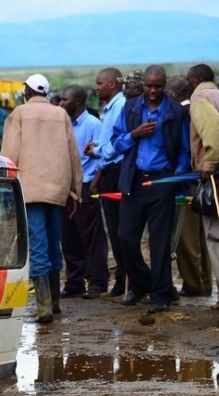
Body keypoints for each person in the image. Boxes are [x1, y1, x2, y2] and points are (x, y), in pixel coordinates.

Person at [1, 74, 83, 323]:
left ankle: (44, 306)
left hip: (30, 190)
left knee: (37, 245)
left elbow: (9, 154)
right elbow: (73, 155)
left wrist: (5, 189)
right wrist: (75, 191)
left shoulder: (19, 114)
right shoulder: (61, 115)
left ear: (27, 91)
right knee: (53, 244)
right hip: (58, 190)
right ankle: (54, 302)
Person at [111, 65, 190, 314]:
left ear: (164, 85)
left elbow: (185, 148)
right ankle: (142, 282)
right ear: (142, 84)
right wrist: (134, 134)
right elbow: (116, 143)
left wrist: (179, 170)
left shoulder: (176, 111)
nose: (152, 91)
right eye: (148, 86)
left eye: (157, 86)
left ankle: (161, 294)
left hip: (162, 181)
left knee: (160, 242)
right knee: (125, 237)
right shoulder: (130, 108)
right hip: (134, 180)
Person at [186, 63, 219, 308]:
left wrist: (209, 162)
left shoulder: (199, 98)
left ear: (196, 79)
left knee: (215, 233)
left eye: (188, 80)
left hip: (215, 172)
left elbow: (214, 126)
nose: (187, 84)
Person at [59, 85, 109, 299]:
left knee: (92, 238)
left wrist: (95, 183)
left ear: (78, 101)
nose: (61, 103)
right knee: (69, 238)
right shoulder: (65, 124)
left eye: (65, 100)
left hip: (87, 187)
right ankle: (74, 282)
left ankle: (98, 282)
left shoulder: (93, 125)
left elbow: (104, 155)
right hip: (67, 188)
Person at [165, 76, 212, 298]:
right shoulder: (195, 109)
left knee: (186, 239)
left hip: (185, 183)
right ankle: (205, 281)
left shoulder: (182, 113)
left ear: (175, 93)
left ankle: (193, 284)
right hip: (199, 182)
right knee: (201, 236)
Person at [85, 67, 128, 298]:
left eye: (99, 83)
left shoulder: (120, 106)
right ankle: (121, 279)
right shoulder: (110, 108)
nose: (96, 87)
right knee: (114, 229)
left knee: (121, 230)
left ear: (112, 84)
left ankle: (127, 280)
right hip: (108, 172)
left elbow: (120, 144)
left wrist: (98, 151)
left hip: (118, 173)